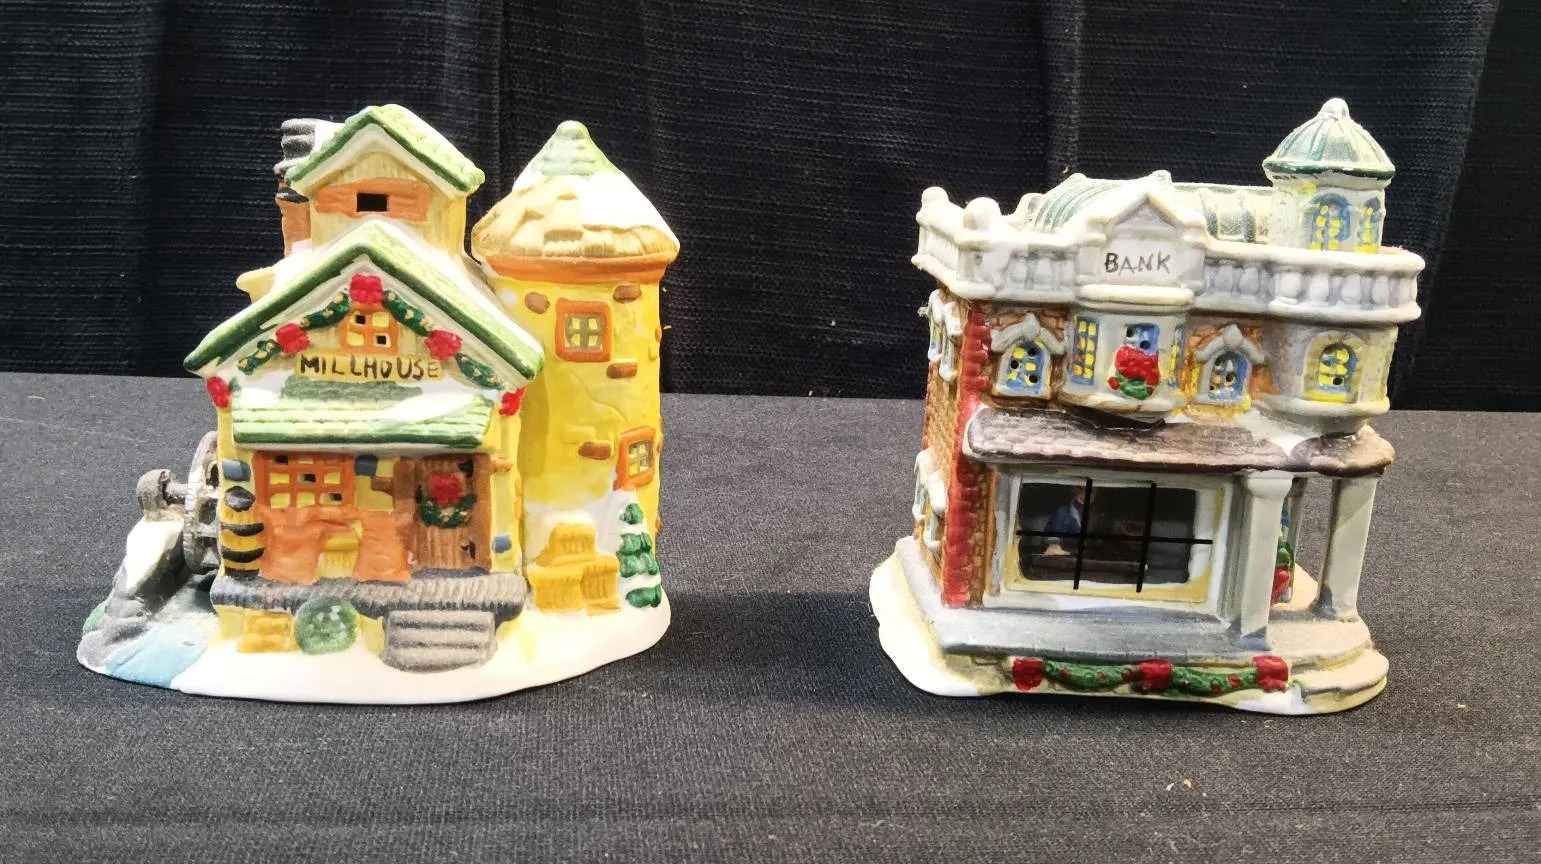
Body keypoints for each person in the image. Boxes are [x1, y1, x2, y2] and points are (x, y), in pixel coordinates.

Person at [1042, 486, 1085, 556]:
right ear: (1072, 489)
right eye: (1080, 488)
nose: (1085, 493)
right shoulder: (1060, 512)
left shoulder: (1098, 515)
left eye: (1092, 491)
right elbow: (1051, 536)